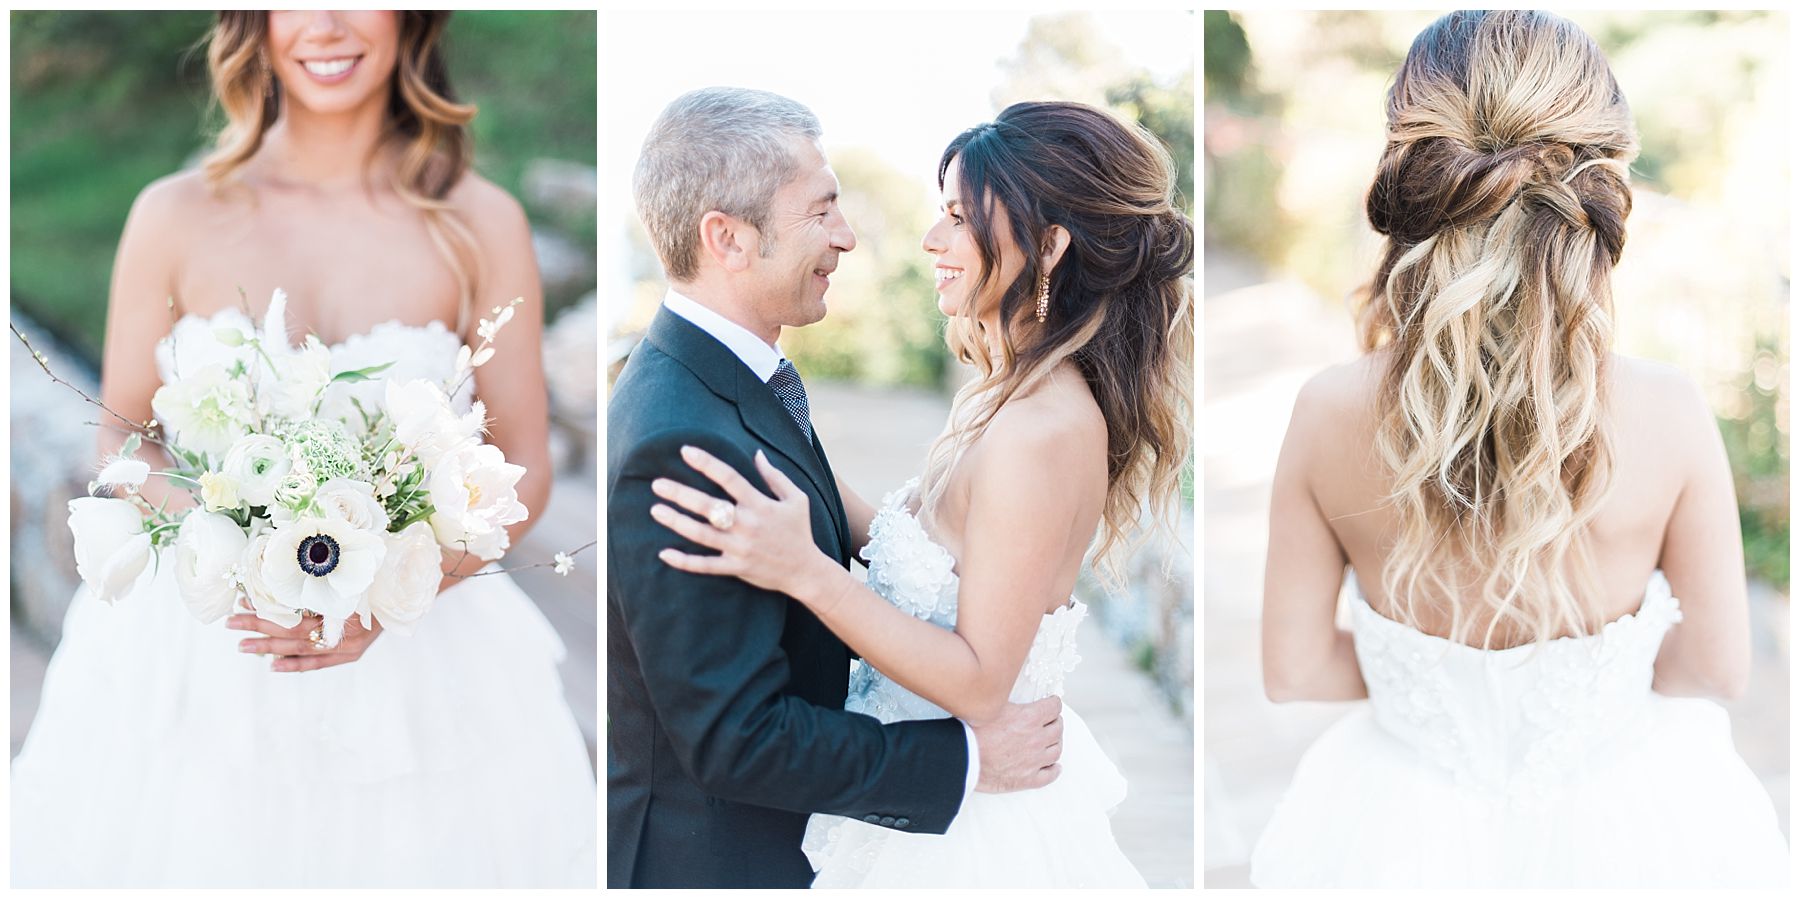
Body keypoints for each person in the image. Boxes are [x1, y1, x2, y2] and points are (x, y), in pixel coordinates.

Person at [11, 11, 595, 887]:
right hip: (192, 659)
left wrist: (393, 591)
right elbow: (123, 431)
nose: (326, 25)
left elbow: (524, 465)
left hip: (422, 661)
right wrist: (236, 545)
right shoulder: (174, 213)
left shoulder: (479, 221)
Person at [1251, 10, 1789, 888]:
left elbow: (1294, 666)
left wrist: (1433, 688)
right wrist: (1582, 688)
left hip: (1393, 834)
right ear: (1604, 181)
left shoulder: (1325, 413)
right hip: (1640, 830)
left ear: (1411, 175)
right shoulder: (1671, 412)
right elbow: (1719, 668)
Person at [642, 98, 1191, 887]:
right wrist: (762, 420)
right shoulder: (1008, 391)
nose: (933, 239)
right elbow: (921, 546)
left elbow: (978, 676)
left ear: (1049, 244)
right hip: (921, 803)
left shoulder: (1042, 431)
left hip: (972, 832)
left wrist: (806, 571)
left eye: (961, 219)